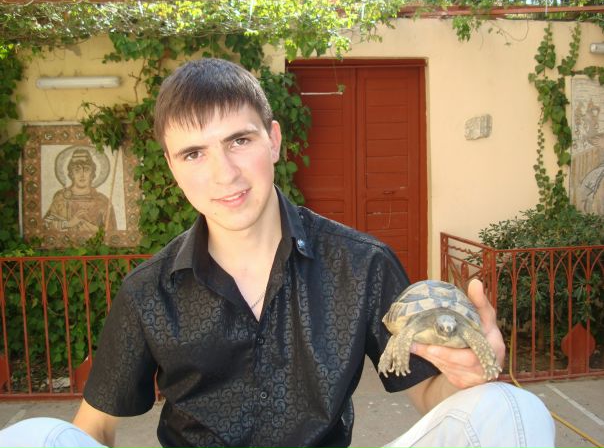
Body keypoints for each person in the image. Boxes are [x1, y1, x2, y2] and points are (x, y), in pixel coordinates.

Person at [0, 59, 555, 448]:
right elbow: (94, 428)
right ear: (172, 165)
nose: (224, 174)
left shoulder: (362, 264)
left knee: (513, 409)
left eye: (239, 141)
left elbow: (429, 392)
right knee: (29, 438)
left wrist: (470, 374)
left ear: (273, 140)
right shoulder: (148, 291)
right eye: (194, 153)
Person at [43, 148, 117, 233]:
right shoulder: (61, 198)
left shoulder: (103, 202)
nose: (82, 174)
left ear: (92, 173)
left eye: (86, 169)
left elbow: (113, 232)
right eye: (77, 170)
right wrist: (68, 224)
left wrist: (96, 230)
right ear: (71, 174)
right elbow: (45, 224)